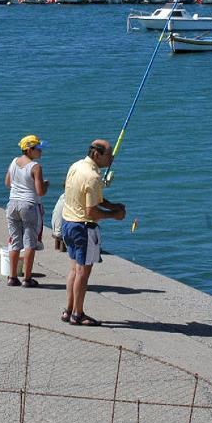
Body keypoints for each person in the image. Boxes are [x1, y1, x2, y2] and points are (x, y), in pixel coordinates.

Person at [59, 139, 127, 326]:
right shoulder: (93, 177)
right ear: (97, 154)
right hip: (83, 228)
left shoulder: (77, 166)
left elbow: (91, 196)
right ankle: (78, 314)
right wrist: (115, 214)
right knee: (83, 272)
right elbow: (91, 211)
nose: (112, 158)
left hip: (68, 224)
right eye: (108, 155)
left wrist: (112, 205)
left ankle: (69, 310)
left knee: (74, 269)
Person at [4, 135, 49, 288]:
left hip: (12, 205)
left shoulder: (14, 161)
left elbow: (8, 183)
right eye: (38, 148)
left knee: (14, 240)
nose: (41, 151)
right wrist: (46, 184)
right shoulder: (35, 167)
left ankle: (12, 277)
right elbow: (40, 191)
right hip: (29, 205)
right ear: (30, 150)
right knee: (30, 242)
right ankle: (27, 278)